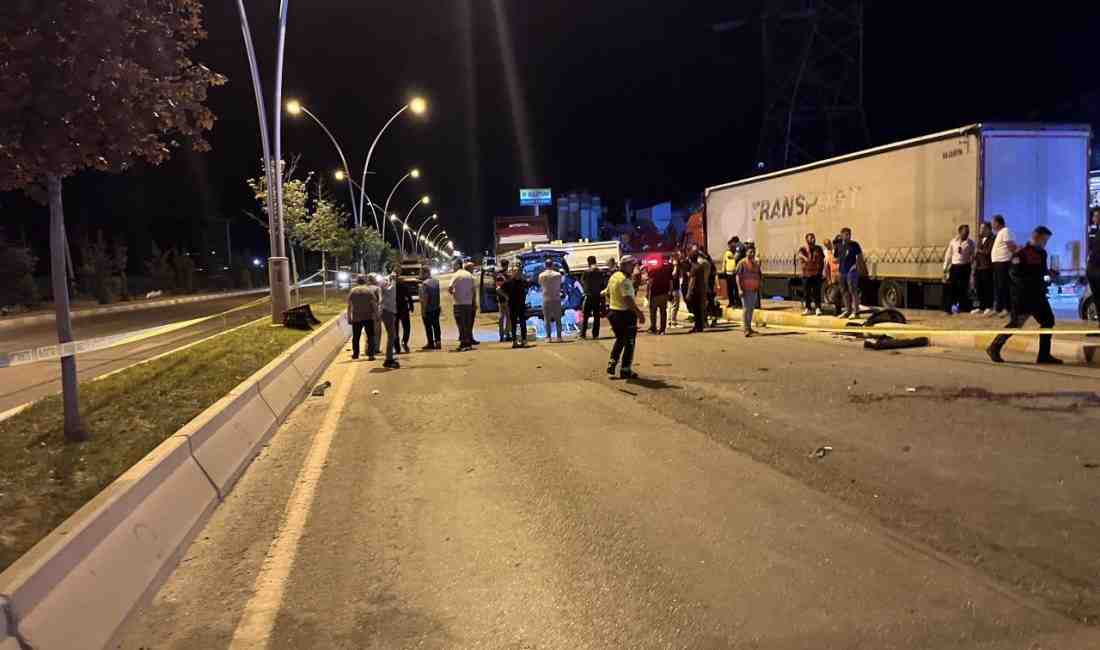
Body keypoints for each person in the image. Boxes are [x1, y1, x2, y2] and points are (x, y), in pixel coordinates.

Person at [987, 226, 1062, 365]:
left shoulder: (1042, 254)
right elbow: (1015, 274)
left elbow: (1042, 272)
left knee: (1048, 321)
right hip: (1023, 296)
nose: (1045, 243)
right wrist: (1031, 284)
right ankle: (994, 347)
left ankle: (1044, 356)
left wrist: (1049, 274)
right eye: (1044, 240)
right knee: (1016, 323)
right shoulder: (1021, 253)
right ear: (1036, 237)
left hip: (1038, 296)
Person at [602, 255, 645, 379]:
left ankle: (612, 363)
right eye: (632, 265)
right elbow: (628, 300)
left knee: (620, 339)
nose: (633, 267)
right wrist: (639, 313)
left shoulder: (614, 277)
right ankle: (625, 370)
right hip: (625, 315)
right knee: (629, 343)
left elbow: (607, 293)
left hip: (613, 313)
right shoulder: (624, 281)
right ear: (625, 265)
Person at [942, 224, 976, 315]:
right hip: (954, 267)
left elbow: (973, 256)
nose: (967, 233)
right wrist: (945, 268)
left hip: (965, 267)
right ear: (960, 232)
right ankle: (947, 309)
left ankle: (963, 308)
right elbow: (948, 255)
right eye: (965, 231)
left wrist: (972, 269)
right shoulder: (953, 242)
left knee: (963, 289)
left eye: (968, 232)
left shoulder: (971, 243)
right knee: (951, 289)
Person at [347, 276, 380, 361]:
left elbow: (349, 305)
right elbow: (374, 304)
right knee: (370, 336)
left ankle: (355, 354)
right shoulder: (369, 291)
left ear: (357, 281)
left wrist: (349, 317)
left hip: (356, 318)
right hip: (368, 317)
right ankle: (371, 355)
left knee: (356, 337)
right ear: (365, 281)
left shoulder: (352, 291)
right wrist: (377, 315)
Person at [990, 214, 1017, 316]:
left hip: (1003, 262)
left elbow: (1010, 246)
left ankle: (1006, 308)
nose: (992, 225)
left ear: (997, 223)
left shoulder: (1005, 231)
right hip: (997, 263)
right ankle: (998, 308)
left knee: (1004, 286)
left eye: (993, 223)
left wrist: (1015, 253)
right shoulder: (1000, 233)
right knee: (998, 287)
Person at [449, 261, 477, 351]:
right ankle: (468, 342)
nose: (453, 267)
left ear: (458, 265)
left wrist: (454, 294)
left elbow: (450, 288)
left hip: (458, 303)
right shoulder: (470, 275)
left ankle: (463, 343)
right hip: (468, 303)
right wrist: (473, 302)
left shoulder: (456, 275)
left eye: (454, 265)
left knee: (460, 324)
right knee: (468, 323)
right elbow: (474, 290)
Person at [836, 227, 864, 319]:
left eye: (849, 234)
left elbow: (859, 257)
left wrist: (856, 267)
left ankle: (856, 312)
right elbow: (836, 257)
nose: (848, 236)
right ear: (842, 235)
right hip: (841, 271)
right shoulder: (839, 245)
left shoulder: (854, 245)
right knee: (844, 291)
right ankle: (848, 310)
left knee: (853, 290)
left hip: (851, 271)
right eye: (846, 234)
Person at [736, 245, 763, 337]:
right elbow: (738, 276)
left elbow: (758, 275)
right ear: (746, 253)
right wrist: (739, 289)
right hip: (745, 290)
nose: (752, 254)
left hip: (754, 290)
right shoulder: (741, 263)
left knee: (751, 309)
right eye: (750, 252)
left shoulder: (756, 264)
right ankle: (745, 329)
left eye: (753, 252)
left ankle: (749, 327)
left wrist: (758, 285)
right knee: (746, 309)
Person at [502, 266, 530, 348]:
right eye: (515, 271)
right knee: (513, 324)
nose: (516, 272)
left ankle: (524, 341)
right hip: (512, 306)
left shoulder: (523, 281)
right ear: (512, 272)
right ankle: (514, 342)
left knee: (523, 324)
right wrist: (506, 297)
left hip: (521, 305)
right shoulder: (508, 282)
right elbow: (498, 289)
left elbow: (528, 288)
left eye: (518, 271)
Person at [798, 233, 825, 315]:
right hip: (806, 274)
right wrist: (805, 258)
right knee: (807, 292)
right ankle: (808, 308)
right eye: (811, 238)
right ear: (807, 240)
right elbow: (802, 257)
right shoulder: (803, 249)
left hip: (816, 274)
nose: (813, 239)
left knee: (817, 292)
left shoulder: (819, 249)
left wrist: (822, 271)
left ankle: (818, 308)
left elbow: (822, 260)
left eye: (813, 238)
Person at [538, 259, 564, 342]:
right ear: (552, 265)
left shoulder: (541, 275)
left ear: (545, 265)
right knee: (558, 319)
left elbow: (540, 284)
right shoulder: (558, 275)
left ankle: (548, 337)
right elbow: (560, 284)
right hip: (556, 298)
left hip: (546, 298)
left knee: (547, 319)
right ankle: (559, 337)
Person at [580, 255, 605, 339]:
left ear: (588, 262)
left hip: (589, 295)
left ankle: (583, 334)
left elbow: (583, 281)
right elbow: (602, 283)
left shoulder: (586, 272)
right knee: (596, 316)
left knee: (586, 316)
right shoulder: (600, 271)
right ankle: (595, 334)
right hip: (597, 296)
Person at [647, 255, 673, 334]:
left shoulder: (652, 270)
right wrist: (670, 292)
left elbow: (650, 283)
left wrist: (648, 294)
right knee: (663, 312)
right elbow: (671, 281)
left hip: (655, 294)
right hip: (664, 293)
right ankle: (662, 329)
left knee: (653, 312)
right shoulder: (667, 269)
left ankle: (653, 327)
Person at [379, 273, 401, 369]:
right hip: (388, 312)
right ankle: (388, 359)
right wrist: (392, 278)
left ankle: (389, 357)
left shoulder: (388, 289)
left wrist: (391, 278)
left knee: (393, 335)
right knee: (392, 336)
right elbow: (392, 287)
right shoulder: (389, 290)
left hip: (388, 312)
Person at [685, 249, 710, 332]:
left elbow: (692, 281)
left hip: (695, 291)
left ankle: (697, 326)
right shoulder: (700, 266)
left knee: (695, 309)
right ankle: (699, 326)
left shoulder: (694, 268)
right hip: (701, 290)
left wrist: (688, 293)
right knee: (699, 309)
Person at [974, 222, 995, 315]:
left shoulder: (992, 238)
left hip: (987, 267)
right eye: (980, 228)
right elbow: (977, 253)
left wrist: (979, 251)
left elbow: (989, 252)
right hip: (979, 267)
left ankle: (988, 306)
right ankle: (980, 307)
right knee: (979, 287)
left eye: (982, 228)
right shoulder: (979, 239)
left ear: (988, 229)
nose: (980, 230)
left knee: (988, 288)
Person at [418, 267, 441, 350]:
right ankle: (438, 342)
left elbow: (425, 298)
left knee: (428, 327)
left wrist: (423, 310)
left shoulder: (424, 284)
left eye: (421, 273)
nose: (420, 274)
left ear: (426, 273)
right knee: (436, 325)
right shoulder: (436, 281)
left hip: (428, 309)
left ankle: (430, 343)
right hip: (436, 307)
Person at [1087, 208, 1100, 333]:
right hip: (1093, 271)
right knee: (1097, 299)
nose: (1093, 219)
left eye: (1095, 216)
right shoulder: (1096, 231)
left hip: (1097, 271)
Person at [722, 237, 743, 308]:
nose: (730, 246)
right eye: (729, 245)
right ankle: (731, 302)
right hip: (728, 273)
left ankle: (737, 303)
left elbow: (736, 259)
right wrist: (723, 270)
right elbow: (724, 262)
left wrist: (733, 257)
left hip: (734, 273)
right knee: (729, 289)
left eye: (732, 244)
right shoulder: (727, 253)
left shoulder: (736, 253)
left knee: (736, 289)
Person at [395, 275, 414, 354]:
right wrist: (411, 306)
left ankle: (397, 347)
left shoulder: (392, 287)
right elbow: (409, 297)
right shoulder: (405, 286)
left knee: (395, 329)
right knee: (407, 327)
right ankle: (404, 341)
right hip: (404, 308)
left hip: (395, 309)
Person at [495, 259, 512, 342]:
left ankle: (506, 334)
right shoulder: (501, 275)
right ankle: (503, 335)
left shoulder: (503, 274)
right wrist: (506, 296)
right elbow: (498, 288)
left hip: (503, 299)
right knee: (503, 317)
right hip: (504, 299)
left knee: (507, 317)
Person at [669, 252, 687, 327]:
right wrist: (676, 266)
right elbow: (674, 275)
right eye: (678, 256)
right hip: (673, 288)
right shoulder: (673, 266)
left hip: (672, 288)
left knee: (671, 305)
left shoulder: (670, 265)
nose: (680, 258)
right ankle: (673, 322)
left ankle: (670, 321)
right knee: (675, 305)